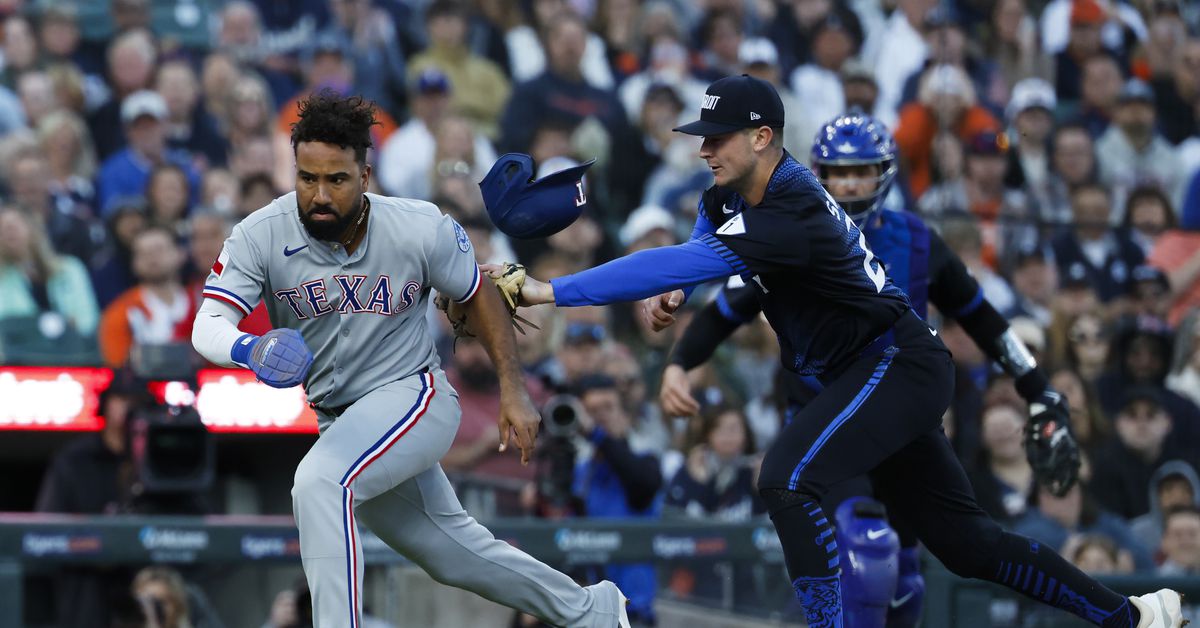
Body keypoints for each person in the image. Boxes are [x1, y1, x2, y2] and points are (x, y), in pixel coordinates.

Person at [499, 74, 1185, 627]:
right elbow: (701, 256)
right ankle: (1130, 615)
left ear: (763, 137)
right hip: (874, 371)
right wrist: (678, 293)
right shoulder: (731, 193)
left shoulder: (790, 206)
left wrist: (545, 290)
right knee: (967, 546)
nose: (704, 150)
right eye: (700, 138)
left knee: (786, 480)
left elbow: (688, 258)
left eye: (718, 138)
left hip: (895, 364)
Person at [189, 91, 630, 628]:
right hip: (343, 422)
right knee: (455, 553)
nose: (320, 193)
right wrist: (248, 346)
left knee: (320, 484)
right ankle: (593, 611)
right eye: (307, 178)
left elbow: (478, 294)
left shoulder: (419, 225)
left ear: (366, 174)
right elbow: (206, 326)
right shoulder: (261, 232)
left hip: (414, 397)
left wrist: (513, 390)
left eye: (337, 179)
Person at [659, 111, 1071, 621]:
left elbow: (983, 319)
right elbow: (726, 308)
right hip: (821, 415)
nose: (851, 183)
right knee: (863, 548)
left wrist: (1037, 387)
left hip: (897, 417)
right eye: (838, 172)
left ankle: (1124, 613)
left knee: (910, 571)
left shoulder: (918, 240)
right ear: (818, 175)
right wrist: (680, 362)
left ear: (885, 173)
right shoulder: (786, 229)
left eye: (862, 170)